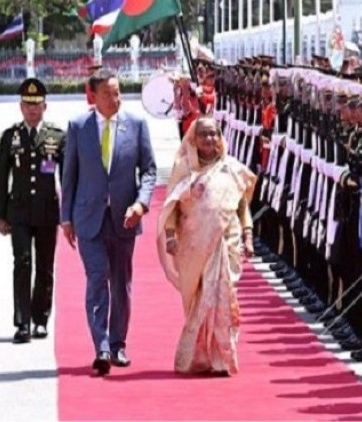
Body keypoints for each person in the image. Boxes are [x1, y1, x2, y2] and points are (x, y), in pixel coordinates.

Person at [60, 68, 157, 376]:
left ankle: (118, 344)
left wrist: (141, 204)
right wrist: (65, 218)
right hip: (88, 218)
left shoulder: (137, 125)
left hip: (123, 220)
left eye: (117, 93)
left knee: (120, 283)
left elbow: (150, 170)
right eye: (107, 94)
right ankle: (101, 346)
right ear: (93, 96)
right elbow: (69, 174)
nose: (115, 99)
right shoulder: (78, 126)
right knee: (97, 278)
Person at [156, 116, 256, 376]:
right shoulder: (184, 169)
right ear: (193, 138)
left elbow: (242, 206)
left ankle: (221, 359)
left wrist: (247, 236)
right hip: (194, 245)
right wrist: (170, 237)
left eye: (214, 134)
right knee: (201, 300)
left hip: (226, 243)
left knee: (223, 297)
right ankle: (197, 358)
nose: (209, 139)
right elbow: (173, 208)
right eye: (204, 134)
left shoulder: (232, 169)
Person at [0, 78, 65, 343]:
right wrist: (1, 215)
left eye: (37, 105)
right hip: (19, 212)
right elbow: (1, 177)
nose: (32, 109)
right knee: (22, 262)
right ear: (21, 106)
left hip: (48, 212)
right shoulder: (10, 136)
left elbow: (67, 177)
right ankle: (22, 322)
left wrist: (69, 212)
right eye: (28, 104)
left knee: (46, 266)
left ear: (45, 106)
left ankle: (40, 320)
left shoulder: (56, 136)